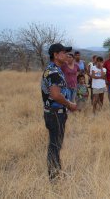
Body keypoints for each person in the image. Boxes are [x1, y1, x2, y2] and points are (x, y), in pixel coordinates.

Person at [41, 43, 77, 181]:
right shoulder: (54, 72)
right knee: (55, 145)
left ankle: (56, 172)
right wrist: (70, 104)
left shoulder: (55, 69)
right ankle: (54, 178)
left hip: (55, 112)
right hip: (55, 113)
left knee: (55, 144)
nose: (67, 55)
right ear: (55, 55)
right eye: (63, 52)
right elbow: (56, 95)